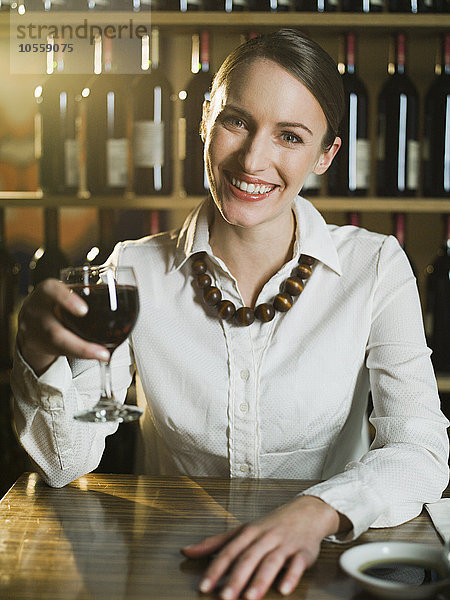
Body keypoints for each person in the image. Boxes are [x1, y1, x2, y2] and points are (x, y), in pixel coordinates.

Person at [11, 29, 448, 600]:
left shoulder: (375, 267)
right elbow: (66, 465)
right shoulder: (132, 269)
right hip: (175, 562)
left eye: (290, 136)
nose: (253, 159)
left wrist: (317, 512)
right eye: (236, 122)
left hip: (317, 559)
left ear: (325, 155)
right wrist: (38, 353)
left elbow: (419, 450)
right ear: (204, 124)